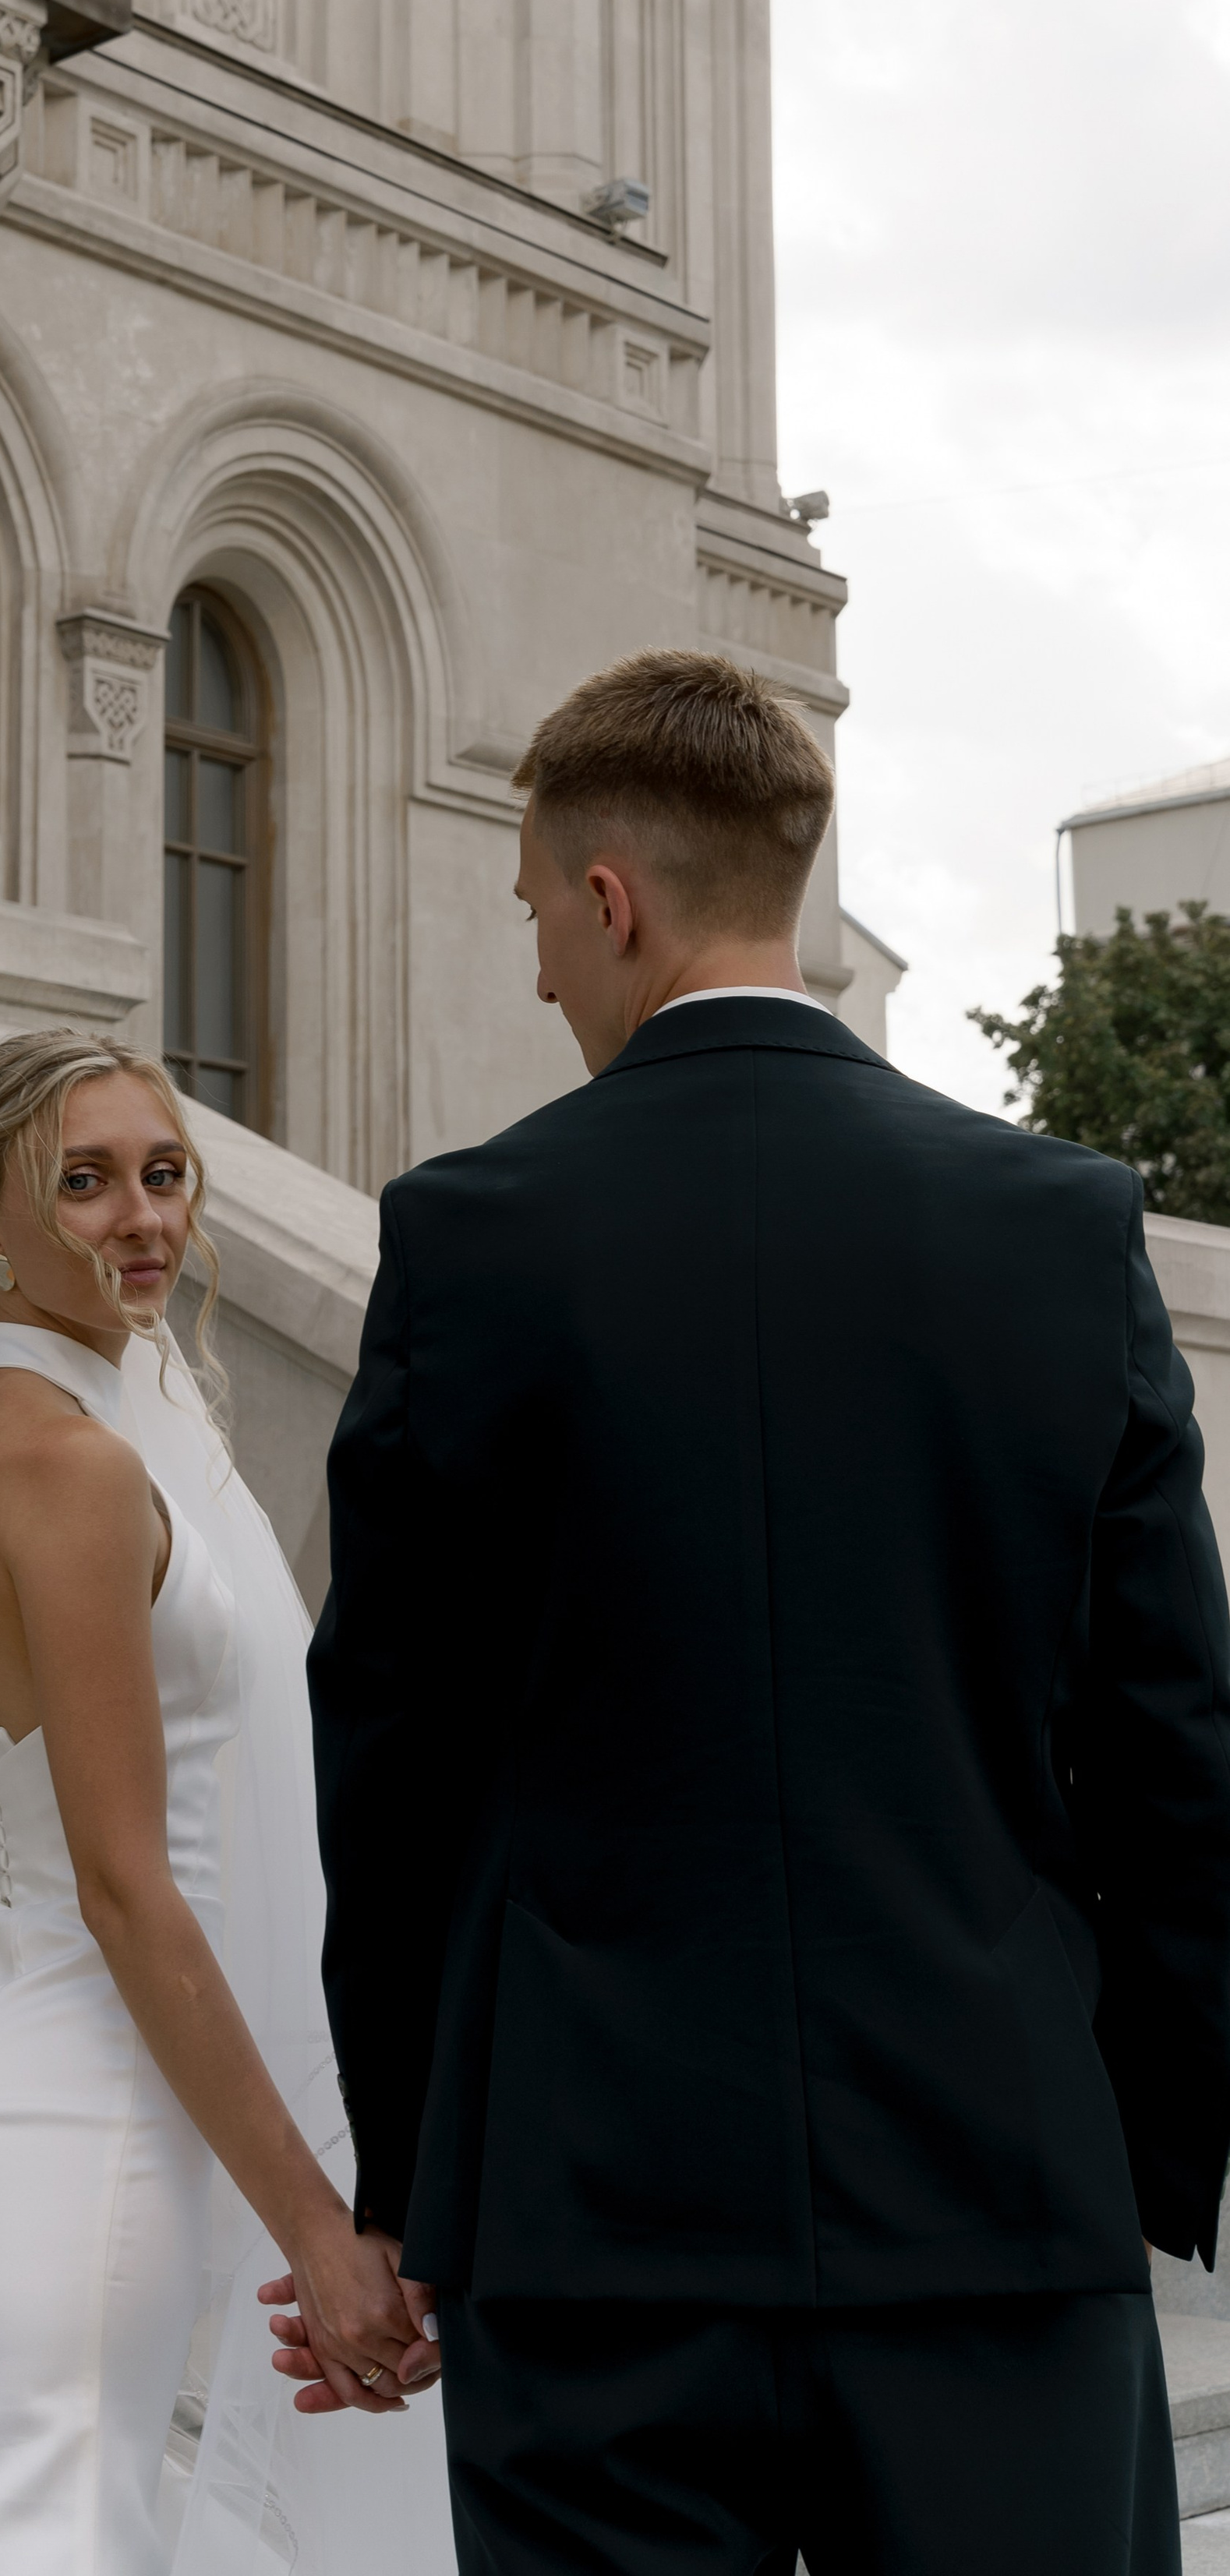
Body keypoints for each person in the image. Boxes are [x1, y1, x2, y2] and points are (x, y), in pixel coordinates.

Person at [304, 648, 1230, 2573]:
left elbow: (390, 1768)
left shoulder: (462, 1243)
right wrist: (1121, 2148)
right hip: (992, 2191)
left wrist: (407, 2191)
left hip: (589, 2228)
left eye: (534, 918)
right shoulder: (1059, 1225)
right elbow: (1172, 1746)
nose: (538, 970)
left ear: (606, 897)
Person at [0, 1027, 456, 2574]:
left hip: (48, 2102)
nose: (143, 1218)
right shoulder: (62, 1465)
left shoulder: (112, 1423)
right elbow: (127, 1884)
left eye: (163, 1173)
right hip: (69, 2138)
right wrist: (318, 2232)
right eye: (84, 1183)